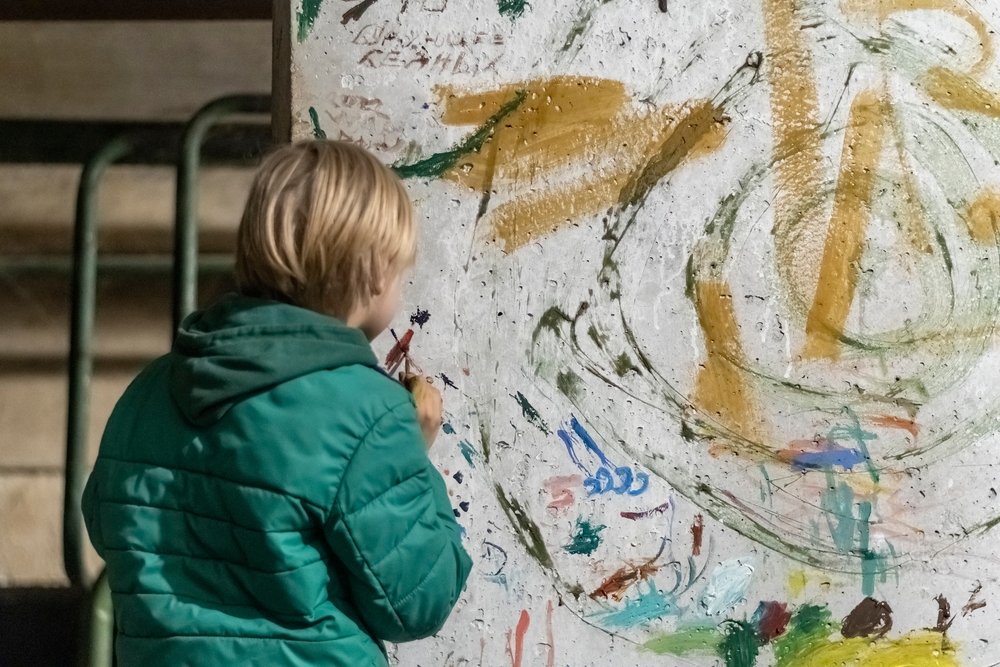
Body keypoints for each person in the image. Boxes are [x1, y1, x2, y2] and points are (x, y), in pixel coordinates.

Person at [82, 140, 472, 666]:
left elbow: (107, 524)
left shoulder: (150, 389)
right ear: (377, 273)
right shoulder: (369, 414)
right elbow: (416, 603)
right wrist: (414, 460)